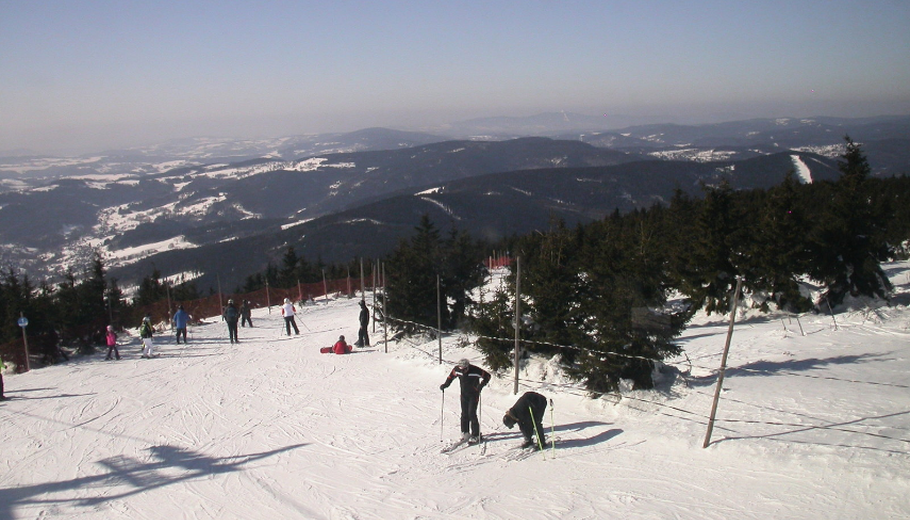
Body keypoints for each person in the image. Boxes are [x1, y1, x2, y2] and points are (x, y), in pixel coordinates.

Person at [439, 358, 491, 444]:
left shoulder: (475, 370)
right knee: (464, 414)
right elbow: (451, 377)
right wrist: (445, 385)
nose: (463, 371)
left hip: (474, 395)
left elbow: (487, 376)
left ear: (467, 367)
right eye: (461, 369)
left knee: (472, 413)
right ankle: (465, 432)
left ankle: (476, 434)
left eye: (464, 369)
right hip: (463, 395)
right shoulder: (457, 370)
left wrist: (481, 386)